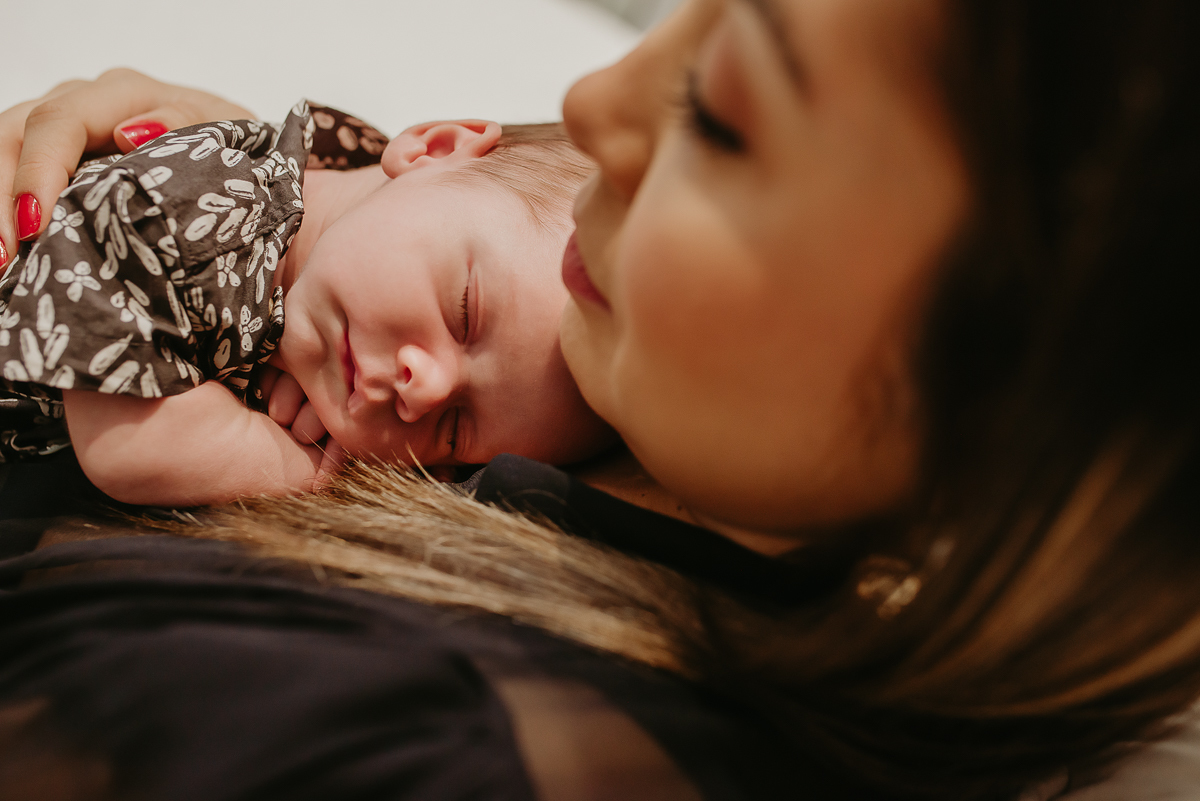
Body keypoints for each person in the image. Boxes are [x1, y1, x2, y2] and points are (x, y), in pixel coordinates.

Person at [2, 0, 1200, 798]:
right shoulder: (598, 400)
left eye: (724, 116)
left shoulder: (412, 737)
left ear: (991, 404)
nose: (592, 101)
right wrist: (267, 214)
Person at [0, 99, 611, 507]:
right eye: (464, 311)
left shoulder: (346, 226)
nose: (421, 390)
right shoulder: (189, 206)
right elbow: (131, 448)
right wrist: (298, 468)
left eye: (454, 432)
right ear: (434, 149)